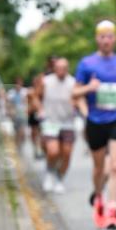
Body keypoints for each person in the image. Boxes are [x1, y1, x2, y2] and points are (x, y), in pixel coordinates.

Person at [73, 20, 116, 230]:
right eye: (102, 36)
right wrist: (89, 88)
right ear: (97, 39)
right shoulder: (86, 63)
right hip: (95, 120)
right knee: (99, 168)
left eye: (110, 36)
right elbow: (75, 92)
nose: (106, 40)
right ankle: (98, 196)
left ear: (115, 39)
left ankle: (112, 209)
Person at [40, 58, 77, 193]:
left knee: (66, 153)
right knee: (53, 151)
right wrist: (39, 109)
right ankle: (49, 172)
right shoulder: (45, 81)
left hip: (68, 122)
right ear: (54, 68)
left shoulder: (73, 82)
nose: (61, 70)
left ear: (68, 69)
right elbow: (35, 96)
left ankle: (59, 179)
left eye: (64, 68)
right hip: (50, 121)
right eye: (59, 68)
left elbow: (79, 98)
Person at [6, 77, 29, 153]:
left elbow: (29, 102)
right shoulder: (11, 93)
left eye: (20, 83)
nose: (18, 85)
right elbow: (8, 103)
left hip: (23, 114)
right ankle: (17, 146)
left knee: (22, 131)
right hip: (14, 115)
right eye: (17, 83)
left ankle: (21, 143)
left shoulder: (25, 92)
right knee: (16, 131)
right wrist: (9, 111)